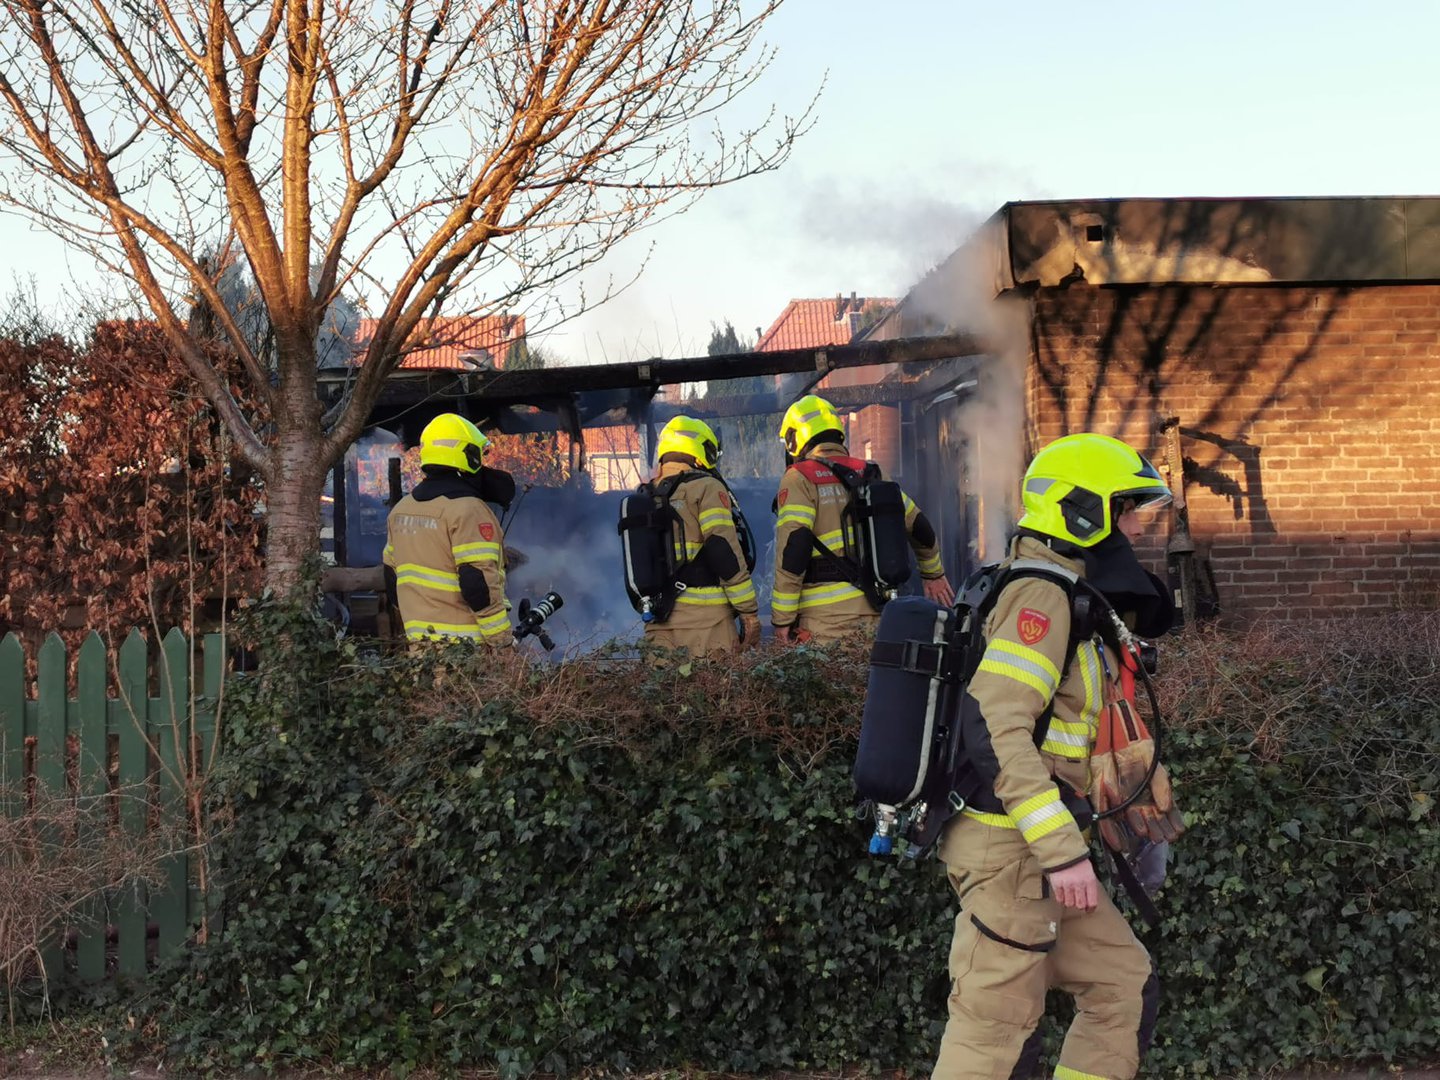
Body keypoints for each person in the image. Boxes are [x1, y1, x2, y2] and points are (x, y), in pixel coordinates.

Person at [931, 432, 1185, 1080]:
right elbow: (994, 721)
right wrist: (1062, 849)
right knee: (993, 1039)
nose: (1132, 525)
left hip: (1036, 856)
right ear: (1083, 511)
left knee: (1123, 986)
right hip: (1013, 855)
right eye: (1123, 508)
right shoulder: (1041, 595)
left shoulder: (1068, 591)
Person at [770, 395, 953, 645]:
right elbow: (919, 526)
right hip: (880, 615)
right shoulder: (872, 473)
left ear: (793, 439)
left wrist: (783, 619)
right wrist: (933, 574)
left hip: (825, 622)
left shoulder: (799, 478)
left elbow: (794, 548)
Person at [382, 413, 511, 645]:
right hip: (465, 653)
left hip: (421, 650)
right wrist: (502, 642)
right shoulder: (468, 510)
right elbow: (477, 584)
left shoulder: (401, 510)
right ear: (467, 455)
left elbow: (392, 580)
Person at [642, 415, 761, 656]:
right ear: (701, 450)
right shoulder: (706, 487)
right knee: (715, 692)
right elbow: (722, 548)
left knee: (666, 692)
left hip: (657, 623)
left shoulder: (645, 496)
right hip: (707, 625)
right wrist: (748, 611)